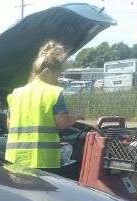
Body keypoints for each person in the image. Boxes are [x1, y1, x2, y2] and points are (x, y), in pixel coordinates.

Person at [5, 41, 84, 173]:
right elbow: (63, 122)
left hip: (15, 160)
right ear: (47, 72)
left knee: (20, 193)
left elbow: (9, 125)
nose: (58, 80)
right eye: (57, 75)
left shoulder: (15, 94)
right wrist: (76, 116)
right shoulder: (53, 92)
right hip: (43, 161)